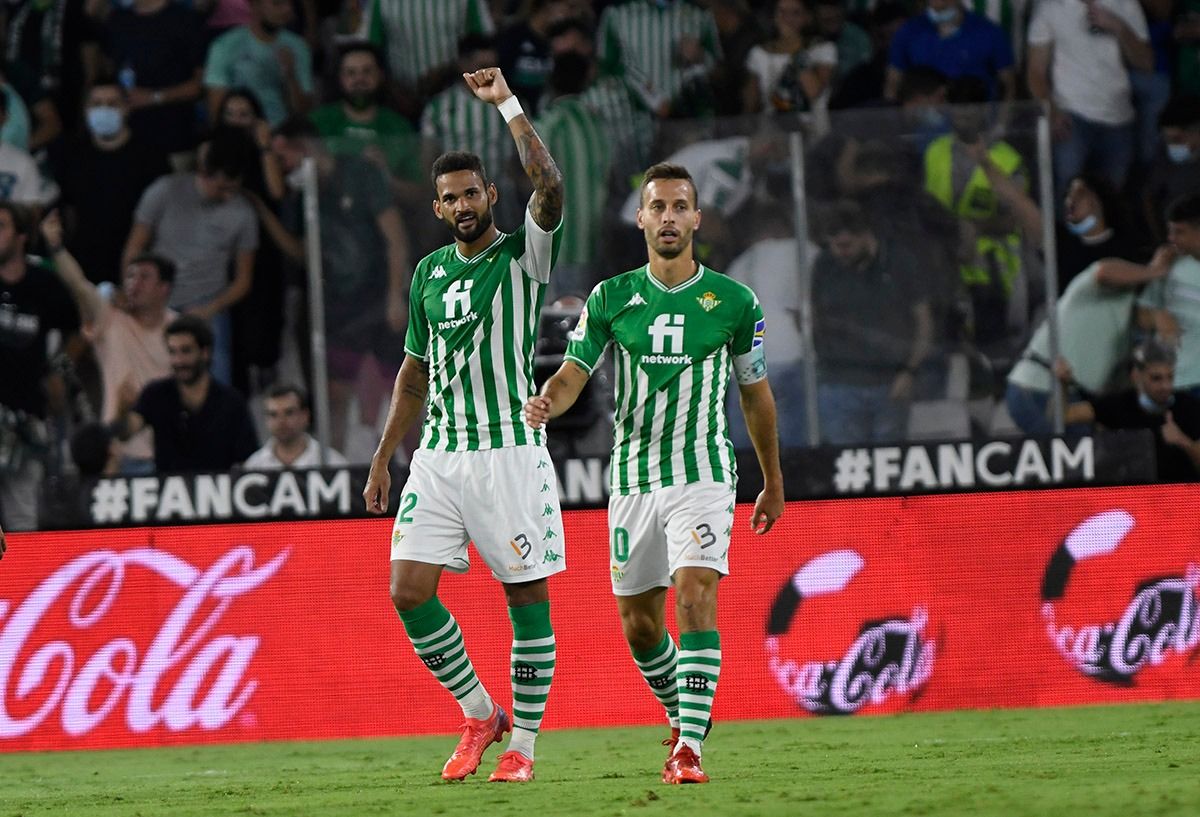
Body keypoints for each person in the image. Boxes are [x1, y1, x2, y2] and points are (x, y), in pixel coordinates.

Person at [525, 162, 785, 784]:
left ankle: (689, 747)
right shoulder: (611, 297)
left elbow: (756, 395)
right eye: (657, 207)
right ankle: (684, 711)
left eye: (679, 206)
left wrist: (772, 480)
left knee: (695, 594)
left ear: (696, 218)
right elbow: (573, 373)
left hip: (703, 473)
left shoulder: (735, 301)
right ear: (640, 218)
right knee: (640, 625)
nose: (668, 217)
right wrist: (545, 401)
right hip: (634, 479)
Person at [361, 66, 565, 784]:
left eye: (472, 192)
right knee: (407, 589)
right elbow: (413, 373)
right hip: (440, 456)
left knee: (524, 596)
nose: (462, 204)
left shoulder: (524, 254)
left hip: (508, 451)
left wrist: (507, 103)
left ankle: (525, 746)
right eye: (449, 198)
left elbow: (551, 186)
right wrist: (386, 454)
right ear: (441, 209)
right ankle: (482, 713)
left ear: (491, 195)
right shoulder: (425, 275)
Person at [41, 210, 176, 475]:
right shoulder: (111, 318)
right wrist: (56, 247)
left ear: (164, 288)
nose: (134, 284)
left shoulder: (179, 330)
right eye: (130, 276)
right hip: (115, 454)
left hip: (168, 454)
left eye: (145, 277)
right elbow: (79, 285)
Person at [122, 126, 259, 387]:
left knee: (217, 382)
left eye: (234, 188)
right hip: (159, 301)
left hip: (207, 306)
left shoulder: (243, 213)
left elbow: (243, 280)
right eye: (221, 189)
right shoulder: (164, 191)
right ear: (205, 173)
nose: (229, 196)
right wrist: (134, 295)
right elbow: (134, 249)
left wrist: (209, 309)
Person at [0, 202, 80, 530]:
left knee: (22, 517)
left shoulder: (43, 284)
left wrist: (59, 371)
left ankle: (21, 581)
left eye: (1, 226)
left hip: (26, 416)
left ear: (21, 236)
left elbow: (78, 330)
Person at [1027, 0, 1152, 196]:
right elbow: (1035, 72)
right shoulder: (1050, 6)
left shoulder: (1126, 4)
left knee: (1111, 199)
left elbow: (1146, 63)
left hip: (1118, 117)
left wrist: (1119, 27)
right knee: (1066, 195)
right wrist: (1051, 111)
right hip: (1071, 116)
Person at [113, 314, 259, 472]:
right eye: (172, 352)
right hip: (168, 491)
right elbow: (125, 433)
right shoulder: (156, 394)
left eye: (186, 351)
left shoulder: (231, 401)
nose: (178, 361)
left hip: (216, 492)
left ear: (205, 352)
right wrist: (122, 409)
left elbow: (248, 459)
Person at [58, 81, 170, 286]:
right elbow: (69, 208)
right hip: (84, 262)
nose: (104, 109)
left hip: (135, 264)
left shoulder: (151, 157)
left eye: (112, 103)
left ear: (126, 108)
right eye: (97, 103)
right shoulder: (73, 154)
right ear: (86, 110)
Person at [1063, 339, 1200, 481]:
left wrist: (1183, 441)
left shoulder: (1188, 406)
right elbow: (1064, 416)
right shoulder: (1118, 404)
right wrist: (1062, 385)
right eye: (1156, 378)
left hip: (1181, 497)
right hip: (1132, 497)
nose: (1165, 386)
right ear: (1136, 376)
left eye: (1170, 377)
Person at [204, 0, 316, 127]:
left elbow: (305, 111)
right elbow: (216, 109)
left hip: (283, 132)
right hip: (240, 132)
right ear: (255, 6)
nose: (287, 9)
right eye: (277, 4)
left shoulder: (298, 47)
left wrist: (291, 77)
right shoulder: (225, 45)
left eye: (290, 4)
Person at [885, 0, 1015, 102]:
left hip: (975, 122)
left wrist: (1000, 125)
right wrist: (896, 124)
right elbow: (893, 83)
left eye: (943, 2)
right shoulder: (908, 32)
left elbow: (1008, 84)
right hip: (922, 125)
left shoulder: (989, 32)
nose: (937, 4)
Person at [1137, 192, 1200, 397]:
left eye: (1179, 232)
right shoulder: (1167, 265)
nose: (1171, 239)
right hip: (1172, 382)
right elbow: (1142, 317)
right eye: (1170, 231)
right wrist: (1158, 316)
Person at [744, 0, 838, 115]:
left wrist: (794, 46)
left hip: (813, 128)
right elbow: (751, 105)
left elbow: (813, 92)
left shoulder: (823, 49)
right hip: (771, 127)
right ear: (774, 16)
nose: (787, 19)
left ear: (807, 17)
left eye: (795, 13)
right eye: (782, 12)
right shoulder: (758, 53)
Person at [244, 383, 348, 469]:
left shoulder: (332, 463)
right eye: (273, 414)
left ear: (305, 416)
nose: (281, 421)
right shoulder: (253, 466)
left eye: (289, 412)